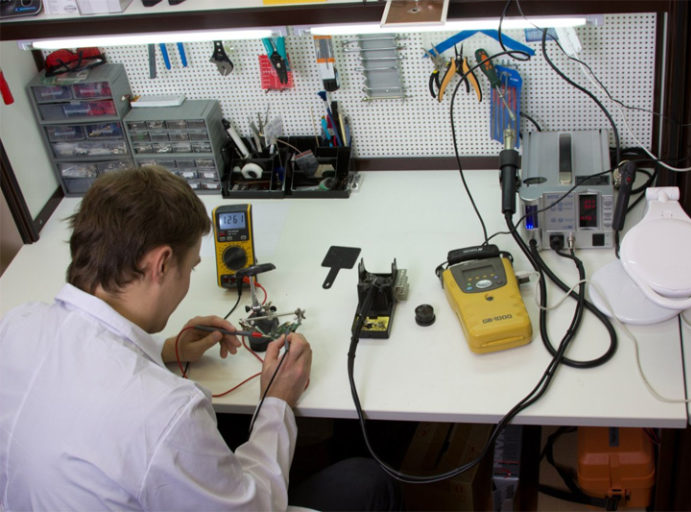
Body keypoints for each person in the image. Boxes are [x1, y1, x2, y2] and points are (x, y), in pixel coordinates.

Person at [0, 166, 398, 511]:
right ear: (161, 264)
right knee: (366, 482)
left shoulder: (17, 326)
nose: (189, 281)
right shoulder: (166, 413)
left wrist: (165, 351)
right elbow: (255, 507)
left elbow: (89, 376)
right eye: (190, 268)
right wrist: (277, 401)